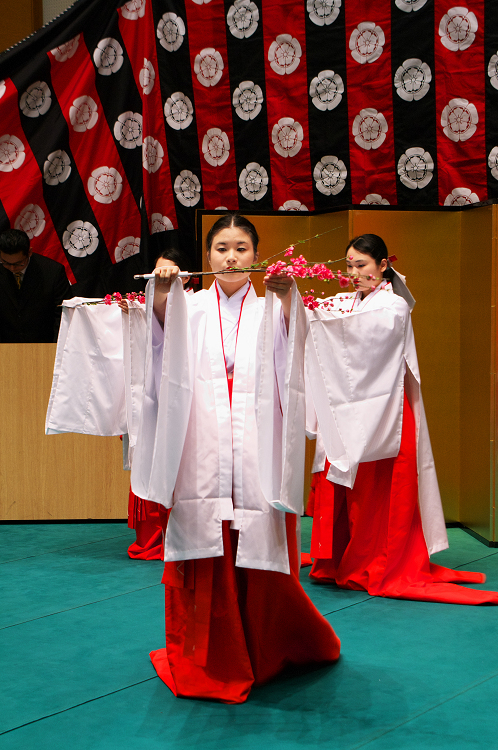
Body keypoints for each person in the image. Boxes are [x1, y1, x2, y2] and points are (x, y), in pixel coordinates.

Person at [130, 213, 341, 703]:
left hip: (254, 436)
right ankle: (209, 654)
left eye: (241, 248)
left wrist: (289, 299)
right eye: (222, 248)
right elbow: (158, 350)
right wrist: (161, 298)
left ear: (256, 254)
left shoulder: (271, 307)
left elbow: (294, 361)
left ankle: (266, 648)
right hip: (202, 432)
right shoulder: (191, 305)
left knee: (257, 530)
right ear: (207, 256)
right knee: (207, 539)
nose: (231, 257)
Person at [305, 234, 498, 605]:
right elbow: (317, 319)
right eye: (349, 266)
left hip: (388, 412)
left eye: (362, 265)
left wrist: (328, 324)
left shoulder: (394, 304)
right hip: (348, 412)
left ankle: (382, 561)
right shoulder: (345, 300)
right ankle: (342, 559)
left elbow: (363, 339)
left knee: (382, 494)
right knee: (347, 489)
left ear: (382, 265)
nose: (354, 273)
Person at [121, 248, 191, 561]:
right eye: (156, 272)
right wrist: (130, 316)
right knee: (150, 455)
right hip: (154, 394)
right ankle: (153, 535)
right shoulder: (148, 303)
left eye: (169, 272)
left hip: (188, 397)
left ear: (186, 275)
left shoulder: (198, 304)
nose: (161, 277)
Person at [0, 228, 70, 342]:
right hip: (5, 348)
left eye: (18, 264)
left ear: (29, 252)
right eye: (6, 263)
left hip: (43, 346)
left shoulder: (52, 272)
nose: (12, 269)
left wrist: (56, 348)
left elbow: (63, 315)